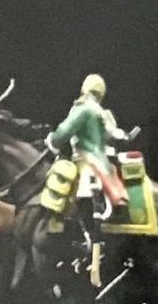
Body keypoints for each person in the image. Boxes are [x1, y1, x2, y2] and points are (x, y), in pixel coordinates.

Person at [46, 74, 136, 215]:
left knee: (67, 181)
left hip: (84, 158)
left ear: (85, 89)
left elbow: (64, 132)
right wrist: (126, 136)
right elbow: (114, 133)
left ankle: (86, 218)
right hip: (104, 161)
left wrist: (52, 140)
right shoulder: (103, 113)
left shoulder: (82, 109)